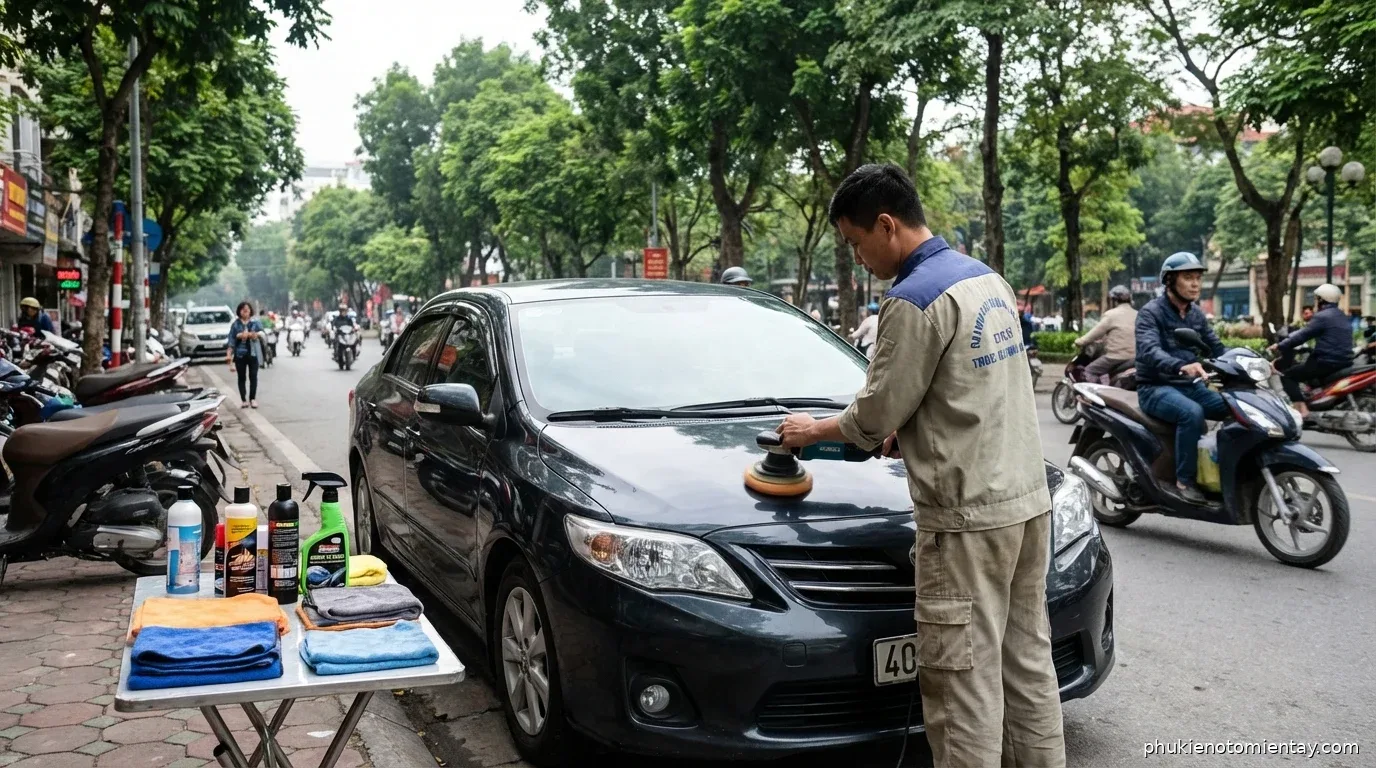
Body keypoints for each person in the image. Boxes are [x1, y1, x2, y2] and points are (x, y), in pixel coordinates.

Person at [776, 163, 1064, 768]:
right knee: (1027, 664)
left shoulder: (912, 300)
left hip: (966, 520)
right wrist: (919, 432)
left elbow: (874, 413)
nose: (858, 259)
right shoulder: (986, 279)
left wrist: (811, 430)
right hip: (1028, 504)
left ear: (886, 225)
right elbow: (973, 394)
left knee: (962, 682)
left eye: (855, 242)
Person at [1134, 252, 1229, 504]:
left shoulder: (1196, 314)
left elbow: (1216, 347)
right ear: (1170, 281)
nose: (1195, 284)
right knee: (1192, 413)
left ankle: (1225, 470)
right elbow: (1150, 350)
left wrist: (1250, 362)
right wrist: (1181, 366)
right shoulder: (1151, 313)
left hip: (1190, 386)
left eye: (1198, 278)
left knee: (1234, 407)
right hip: (1155, 387)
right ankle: (1184, 481)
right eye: (1188, 278)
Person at [1268, 283, 1355, 417]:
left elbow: (1303, 335)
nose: (1315, 302)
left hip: (1326, 361)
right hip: (1344, 361)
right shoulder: (1342, 316)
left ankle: (1301, 412)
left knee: (1288, 376)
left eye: (1317, 298)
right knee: (1308, 373)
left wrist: (1280, 345)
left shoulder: (1322, 316)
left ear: (1321, 299)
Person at [1073, 285, 1136, 384]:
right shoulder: (1138, 314)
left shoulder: (1111, 315)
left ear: (1114, 301)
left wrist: (1079, 341)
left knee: (1088, 371)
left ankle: (1096, 394)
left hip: (1115, 357)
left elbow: (1094, 333)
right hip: (1135, 358)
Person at [226, 301, 263, 409]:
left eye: (247, 309)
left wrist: (254, 335)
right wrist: (229, 353)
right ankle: (243, 400)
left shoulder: (255, 322)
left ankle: (252, 399)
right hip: (240, 354)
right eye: (243, 310)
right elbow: (231, 339)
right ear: (239, 311)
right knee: (241, 377)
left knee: (253, 376)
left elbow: (262, 333)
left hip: (253, 353)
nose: (245, 311)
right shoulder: (236, 324)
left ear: (250, 311)